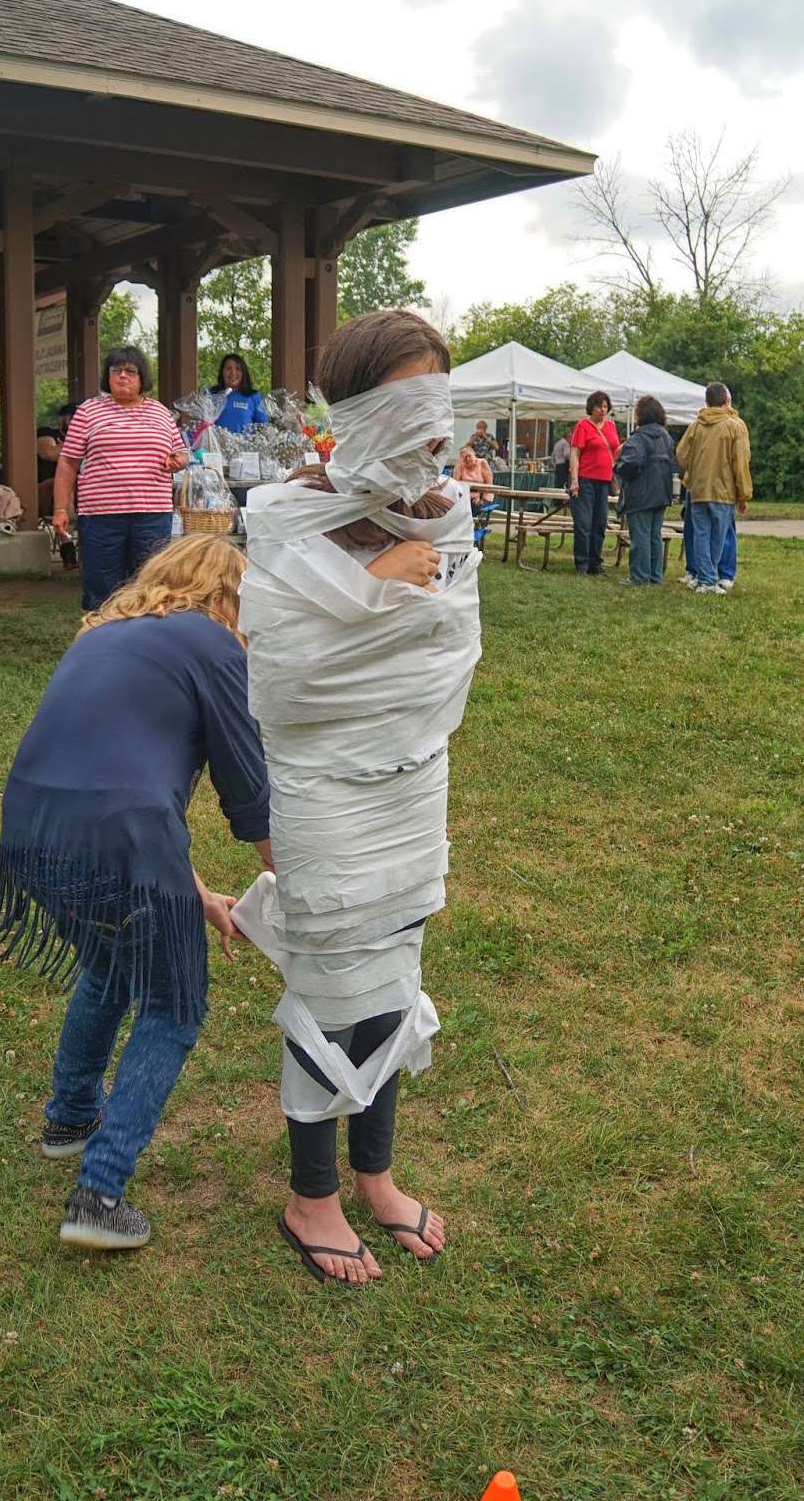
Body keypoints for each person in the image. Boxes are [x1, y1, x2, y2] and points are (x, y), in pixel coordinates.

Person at [233, 309, 481, 1284]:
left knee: (395, 970)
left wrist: (383, 602)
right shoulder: (289, 514)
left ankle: (374, 1176)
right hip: (325, 789)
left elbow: (450, 657)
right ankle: (312, 1196)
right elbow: (284, 686)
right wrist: (376, 584)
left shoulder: (445, 511)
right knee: (331, 983)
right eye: (403, 401)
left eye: (438, 400)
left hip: (414, 777)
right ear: (352, 409)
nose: (429, 428)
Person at [0, 537, 272, 1250]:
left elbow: (118, 771)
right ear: (228, 596)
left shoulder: (101, 637)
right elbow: (250, 796)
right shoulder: (214, 645)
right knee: (172, 1006)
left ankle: (72, 1116)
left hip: (33, 830)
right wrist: (297, 890)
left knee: (109, 965)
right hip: (118, 836)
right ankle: (99, 1195)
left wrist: (193, 893)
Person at [52, 345, 187, 611]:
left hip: (152, 515)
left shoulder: (160, 412)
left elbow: (180, 452)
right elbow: (68, 462)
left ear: (142, 378)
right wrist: (60, 508)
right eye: (116, 370)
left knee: (150, 584)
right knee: (102, 587)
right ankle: (101, 640)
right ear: (107, 376)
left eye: (130, 371)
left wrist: (179, 460)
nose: (122, 376)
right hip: (101, 516)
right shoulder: (88, 411)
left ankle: (144, 642)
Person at [676, 383, 752, 595]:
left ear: (706, 401)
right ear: (726, 401)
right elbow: (741, 463)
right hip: (724, 492)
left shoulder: (696, 425)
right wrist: (744, 494)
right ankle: (710, 578)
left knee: (701, 535)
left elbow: (681, 455)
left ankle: (704, 578)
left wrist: (694, 471)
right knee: (718, 537)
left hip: (698, 490)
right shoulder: (735, 425)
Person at [614, 396, 676, 586]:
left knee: (640, 536)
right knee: (654, 536)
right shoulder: (666, 437)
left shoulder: (639, 438)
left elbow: (630, 463)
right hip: (661, 493)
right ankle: (655, 576)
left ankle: (640, 577)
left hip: (641, 494)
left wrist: (617, 467)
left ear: (641, 414)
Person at [568, 390, 620, 576]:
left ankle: (595, 564)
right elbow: (575, 453)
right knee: (583, 523)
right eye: (599, 406)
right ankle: (582, 564)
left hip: (604, 481)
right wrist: (574, 480)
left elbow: (615, 450)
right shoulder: (583, 425)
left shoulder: (612, 426)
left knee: (599, 523)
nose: (603, 410)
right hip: (585, 479)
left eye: (605, 406)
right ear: (592, 407)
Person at [210, 353, 269, 434]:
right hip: (214, 445)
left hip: (244, 445)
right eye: (228, 368)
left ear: (243, 373)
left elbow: (264, 427)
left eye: (238, 369)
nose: (233, 373)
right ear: (222, 372)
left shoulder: (254, 396)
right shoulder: (211, 394)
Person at [452, 442, 494, 508]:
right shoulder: (461, 465)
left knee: (470, 507)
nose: (468, 459)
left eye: (469, 456)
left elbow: (489, 484)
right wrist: (459, 462)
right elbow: (455, 483)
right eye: (465, 458)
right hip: (466, 498)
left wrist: (480, 498)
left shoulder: (482, 463)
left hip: (483, 496)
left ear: (474, 454)